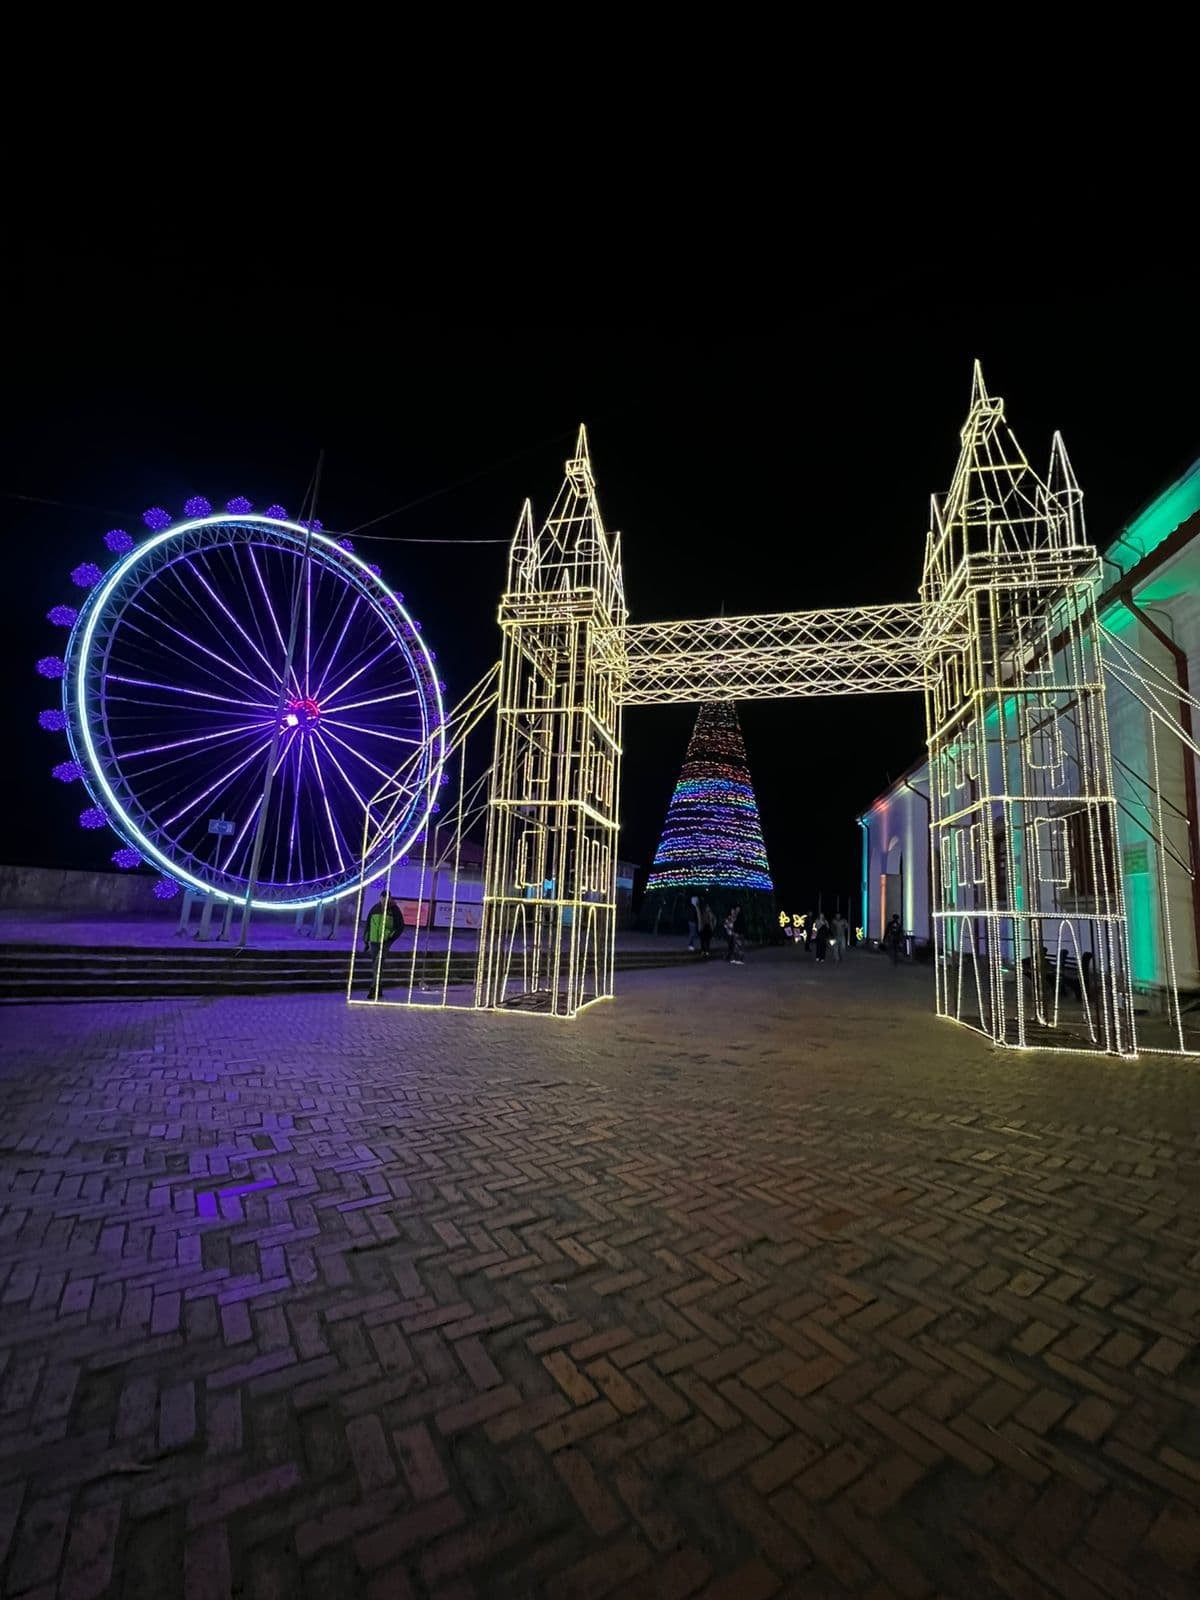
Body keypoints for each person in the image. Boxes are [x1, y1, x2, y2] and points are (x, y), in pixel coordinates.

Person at [363, 890, 406, 983]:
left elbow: (400, 926)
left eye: (386, 898)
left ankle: (374, 987)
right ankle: (377, 987)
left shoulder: (394, 910)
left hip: (386, 941)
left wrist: (391, 937)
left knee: (378, 963)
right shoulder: (375, 909)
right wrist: (366, 940)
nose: (384, 900)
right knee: (375, 963)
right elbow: (368, 925)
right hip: (374, 941)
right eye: (382, 898)